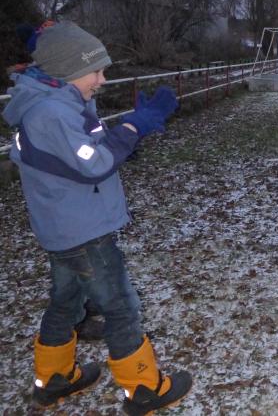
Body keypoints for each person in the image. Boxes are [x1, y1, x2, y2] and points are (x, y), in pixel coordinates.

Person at [2, 21, 192, 414]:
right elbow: (94, 163)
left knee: (67, 301)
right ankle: (143, 389)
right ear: (69, 70)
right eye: (96, 71)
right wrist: (132, 127)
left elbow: (85, 150)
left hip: (66, 228)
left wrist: (129, 135)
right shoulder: (51, 113)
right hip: (84, 231)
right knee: (120, 306)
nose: (102, 80)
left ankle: (53, 379)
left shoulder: (61, 103)